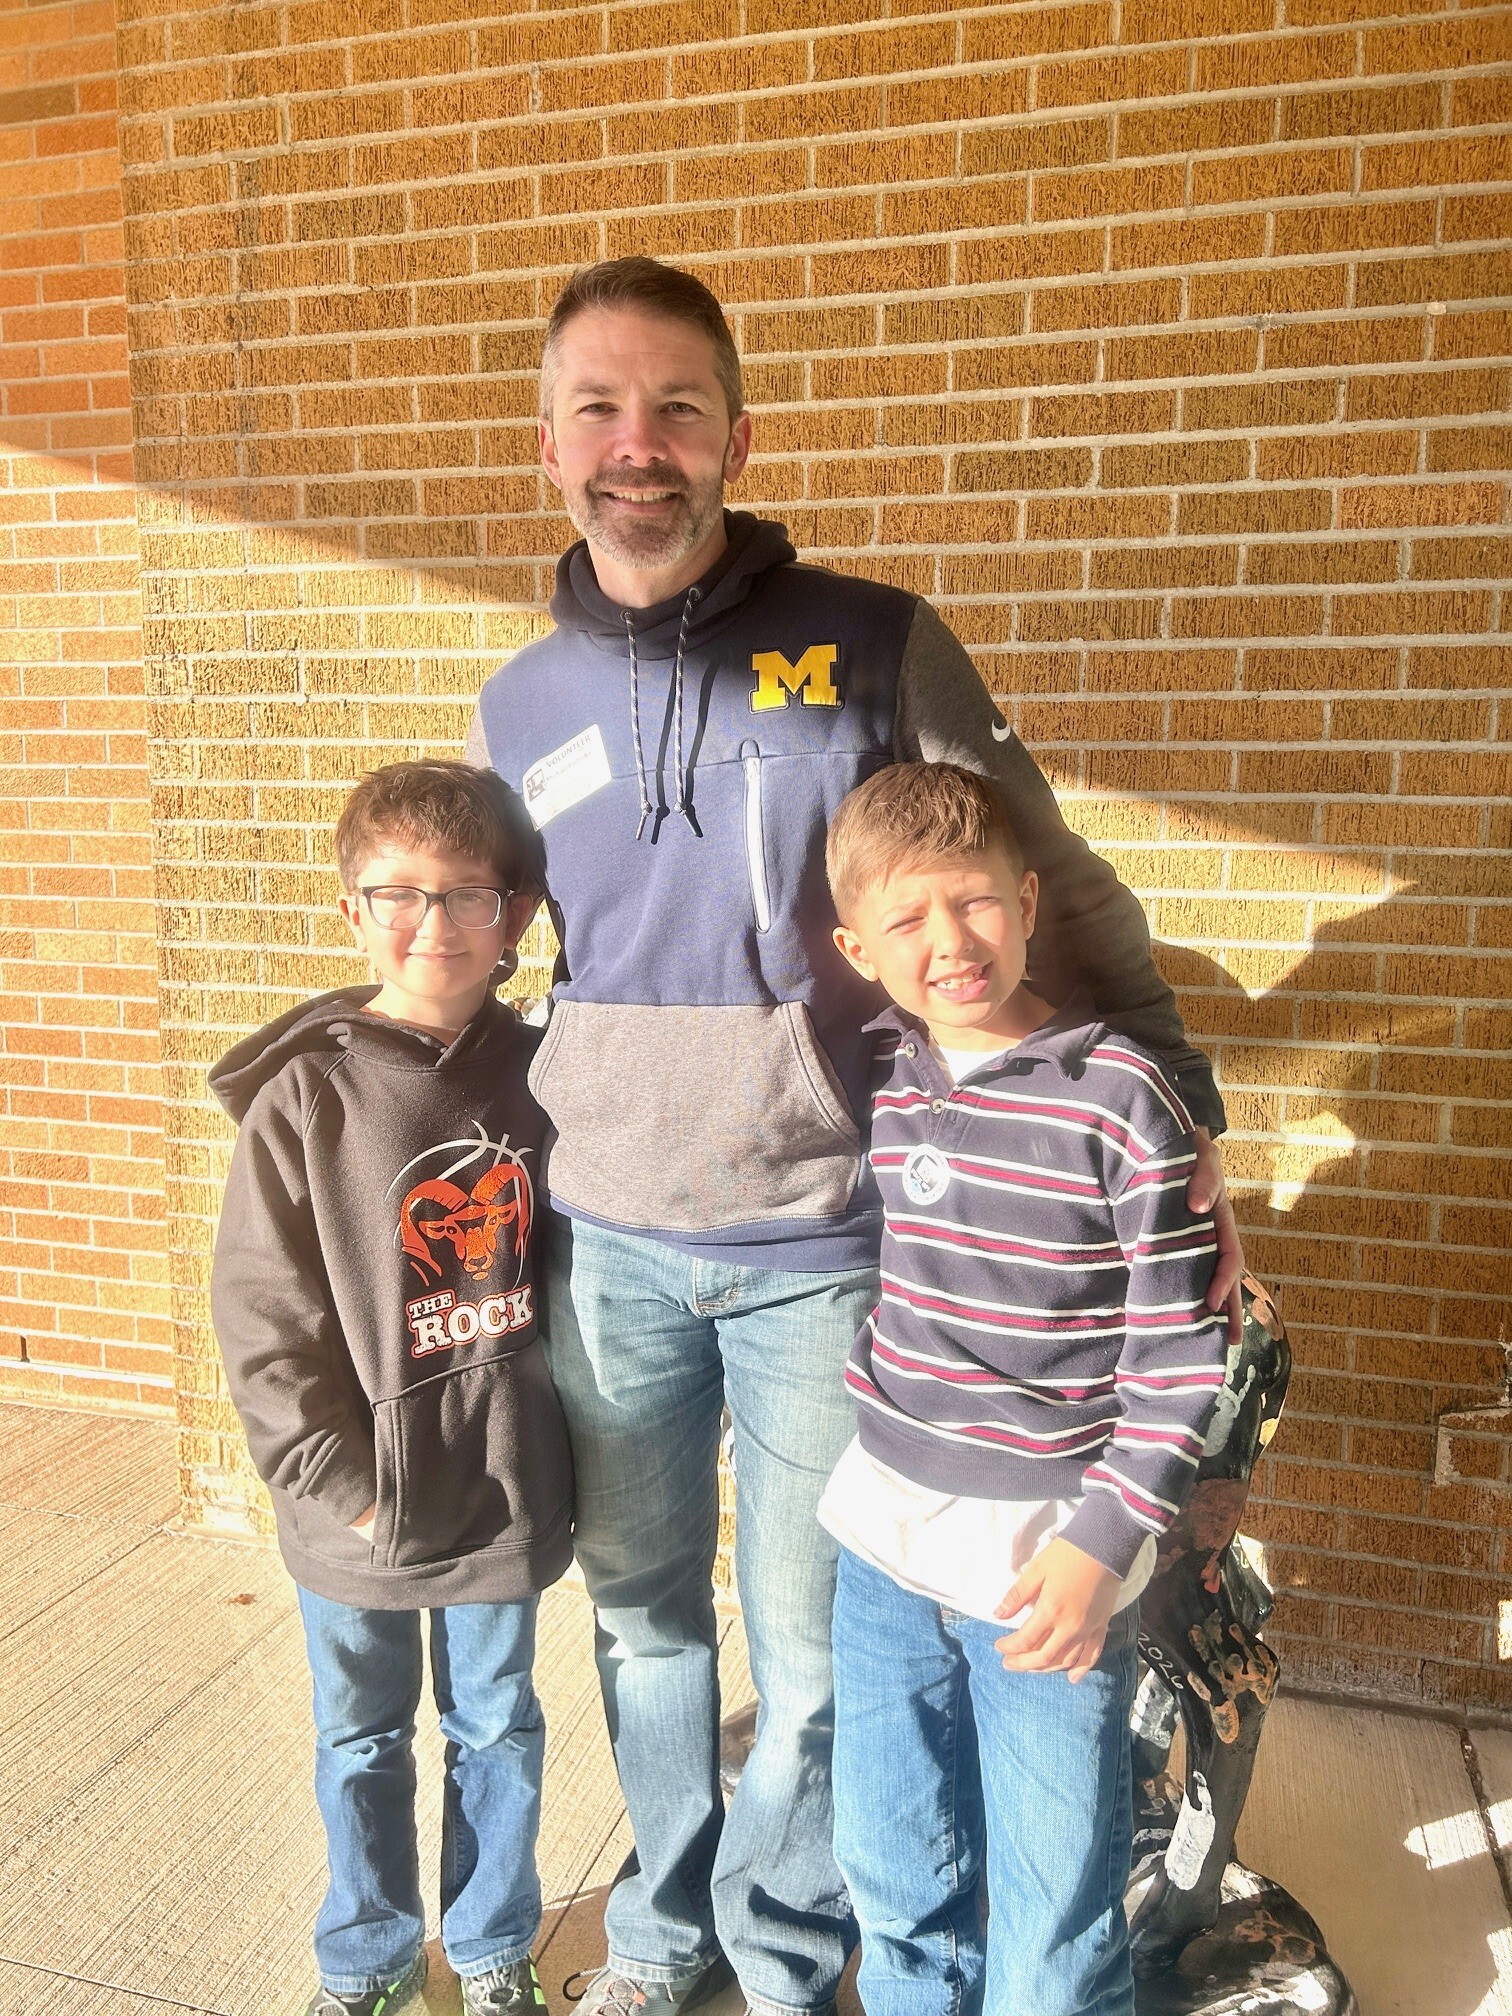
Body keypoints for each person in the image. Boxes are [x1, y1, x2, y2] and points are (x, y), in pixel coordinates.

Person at [465, 256, 1242, 2016]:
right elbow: (507, 956)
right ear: (549, 444)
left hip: (827, 1253)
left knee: (820, 1652)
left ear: (737, 434)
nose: (636, 444)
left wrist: (1183, 1111)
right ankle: (668, 1941)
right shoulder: (518, 701)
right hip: (610, 1252)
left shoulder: (875, 638)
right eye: (597, 406)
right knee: (649, 1621)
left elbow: (1056, 884)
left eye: (675, 407)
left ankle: (797, 1947)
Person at [819, 760, 1228, 2016]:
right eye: (907, 920)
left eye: (976, 903)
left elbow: (1180, 1355)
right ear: (855, 949)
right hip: (883, 1554)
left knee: (1055, 1929)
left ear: (1031, 897)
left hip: (1048, 1565)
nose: (949, 942)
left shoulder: (1121, 1102)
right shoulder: (879, 1078)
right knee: (896, 1887)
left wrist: (1104, 1543)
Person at [209, 761, 572, 2016]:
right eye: (398, 894)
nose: (434, 925)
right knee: (363, 1739)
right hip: (351, 1508)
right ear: (350, 907)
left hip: (499, 1489)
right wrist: (338, 1485)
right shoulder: (304, 1096)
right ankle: (365, 1957)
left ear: (515, 916)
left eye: (467, 895)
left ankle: (487, 1949)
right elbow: (263, 1317)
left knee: (499, 1733)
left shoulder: (547, 1073)